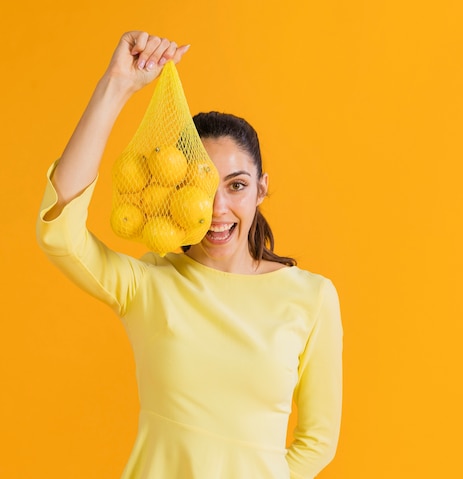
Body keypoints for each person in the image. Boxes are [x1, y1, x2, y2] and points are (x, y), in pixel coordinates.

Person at [36, 31, 343, 479]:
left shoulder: (312, 297)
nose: (218, 208)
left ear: (261, 189)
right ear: (177, 187)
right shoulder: (149, 285)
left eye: (236, 185)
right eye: (201, 186)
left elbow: (318, 442)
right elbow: (59, 234)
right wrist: (116, 85)